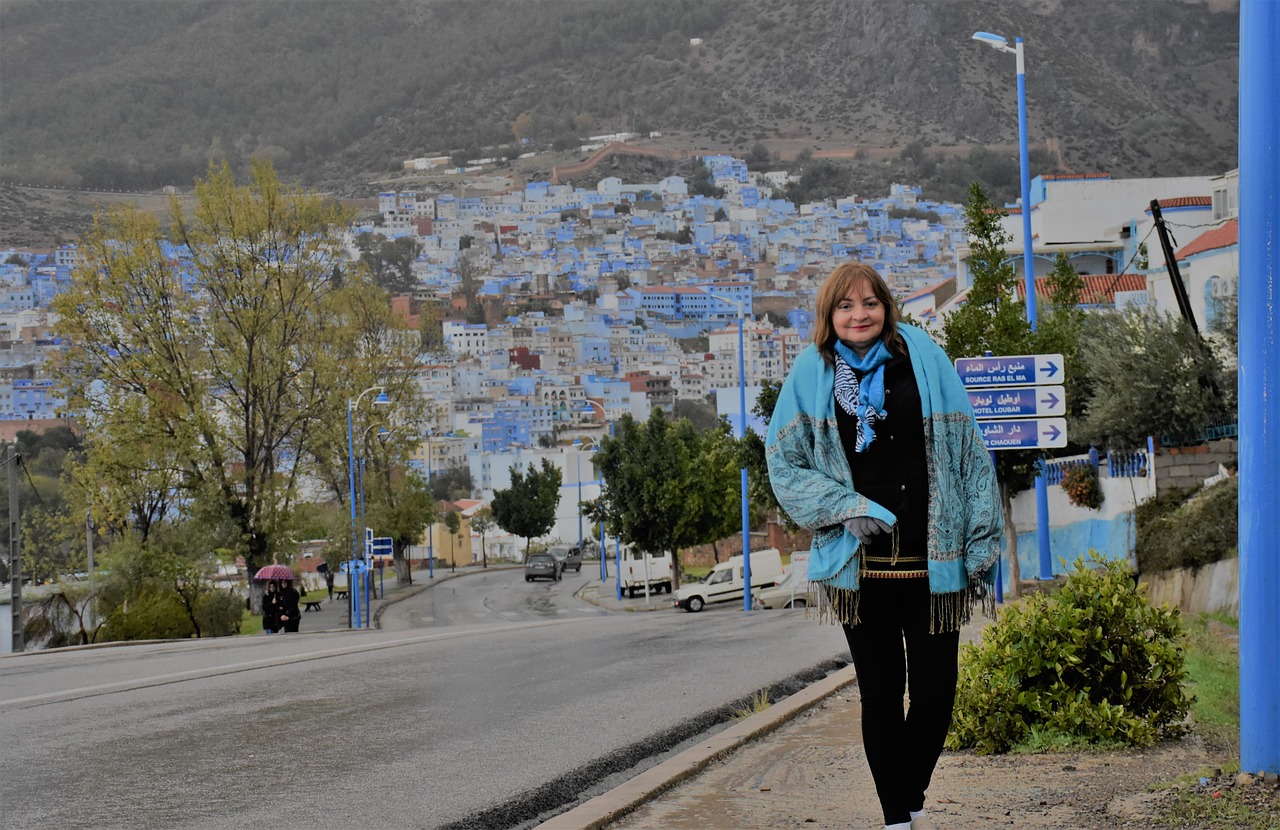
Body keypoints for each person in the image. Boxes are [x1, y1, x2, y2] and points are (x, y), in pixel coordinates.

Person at [766, 262, 1002, 830]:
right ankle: (898, 819)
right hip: (860, 569)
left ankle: (910, 794)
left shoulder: (924, 359)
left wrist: (979, 540)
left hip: (933, 561)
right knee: (880, 695)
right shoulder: (810, 373)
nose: (859, 315)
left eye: (870, 302)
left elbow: (969, 449)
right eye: (846, 306)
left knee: (936, 693)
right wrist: (847, 507)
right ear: (829, 315)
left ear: (887, 307)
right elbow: (785, 463)